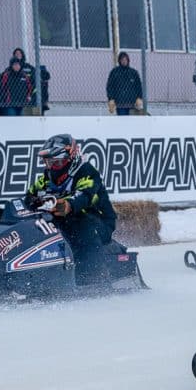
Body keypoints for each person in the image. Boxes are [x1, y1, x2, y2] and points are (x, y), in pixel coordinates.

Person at [25, 134, 117, 285]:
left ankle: (93, 278)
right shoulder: (47, 178)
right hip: (65, 220)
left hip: (98, 221)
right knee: (41, 228)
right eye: (48, 162)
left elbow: (85, 195)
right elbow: (29, 196)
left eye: (56, 163)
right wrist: (35, 201)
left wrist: (68, 205)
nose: (51, 167)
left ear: (70, 158)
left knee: (81, 226)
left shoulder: (86, 172)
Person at [106, 51, 143, 116]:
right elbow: (110, 86)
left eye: (125, 59)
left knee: (132, 122)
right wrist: (111, 99)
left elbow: (138, 86)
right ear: (119, 61)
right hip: (120, 104)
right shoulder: (114, 72)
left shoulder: (133, 73)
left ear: (128, 60)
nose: (124, 61)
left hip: (132, 103)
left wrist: (139, 97)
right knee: (122, 122)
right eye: (122, 59)